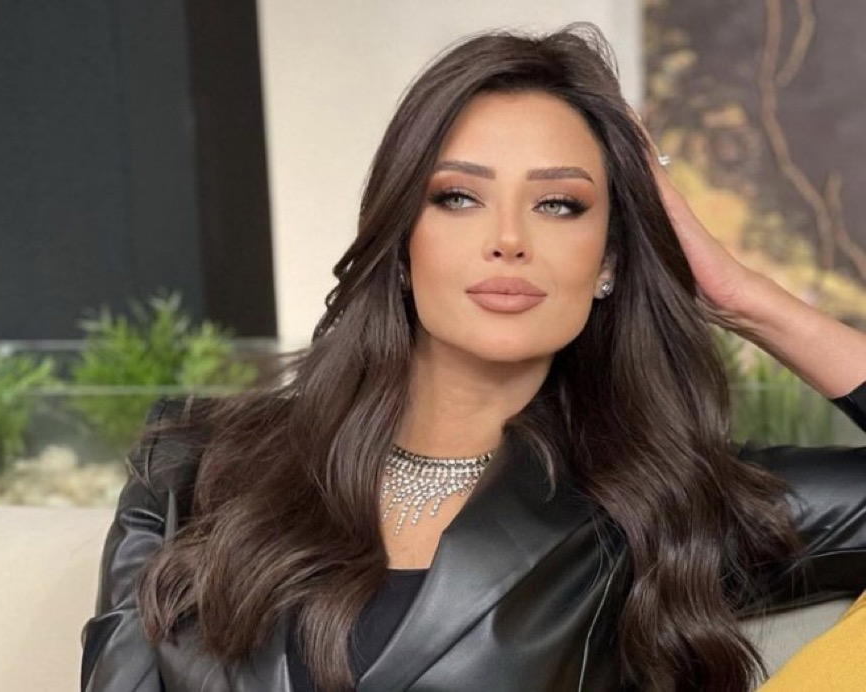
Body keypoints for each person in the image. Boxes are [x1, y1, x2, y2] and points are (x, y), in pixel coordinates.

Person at [80, 23, 866, 692]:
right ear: (401, 241)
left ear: (608, 262)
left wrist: (743, 297)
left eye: (559, 204)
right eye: (458, 196)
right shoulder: (192, 467)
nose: (509, 239)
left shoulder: (661, 503)